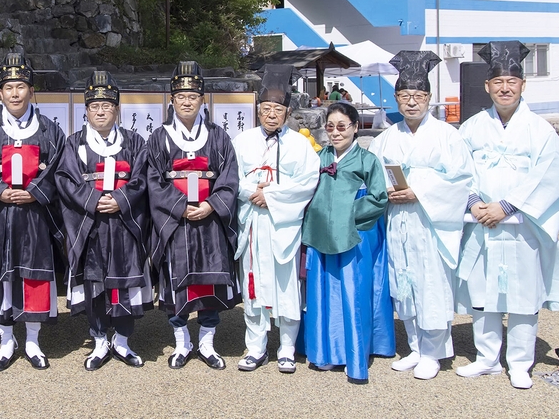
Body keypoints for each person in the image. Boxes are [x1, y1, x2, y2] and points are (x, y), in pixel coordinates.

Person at [455, 41, 559, 389]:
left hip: (521, 226)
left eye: (511, 82)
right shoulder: (473, 127)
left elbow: (552, 174)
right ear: (487, 86)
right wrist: (474, 202)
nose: (505, 88)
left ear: (523, 85)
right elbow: (459, 170)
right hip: (481, 223)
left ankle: (520, 363)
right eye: (498, 82)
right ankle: (486, 358)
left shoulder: (539, 129)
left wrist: (507, 205)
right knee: (482, 293)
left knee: (523, 296)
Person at [368, 50, 472, 380]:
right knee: (404, 282)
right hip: (399, 219)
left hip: (430, 221)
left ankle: (435, 351)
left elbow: (462, 179)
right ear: (396, 99)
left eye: (418, 95)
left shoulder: (447, 135)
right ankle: (414, 346)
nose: (411, 102)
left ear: (428, 97)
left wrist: (420, 191)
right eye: (405, 96)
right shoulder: (385, 138)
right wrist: (386, 191)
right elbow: (373, 178)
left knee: (432, 283)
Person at [0, 52, 64, 371]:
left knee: (35, 278)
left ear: (32, 91)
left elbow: (60, 168)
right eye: (9, 87)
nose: (15, 93)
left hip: (35, 216)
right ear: (1, 93)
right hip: (0, 216)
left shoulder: (48, 129)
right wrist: (0, 192)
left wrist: (35, 192)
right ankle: (6, 341)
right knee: (2, 278)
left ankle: (33, 340)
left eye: (21, 86)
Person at [55, 71, 152, 370]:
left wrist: (120, 200)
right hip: (91, 224)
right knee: (94, 281)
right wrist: (95, 200)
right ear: (85, 110)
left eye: (107, 106)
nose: (100, 111)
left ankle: (122, 340)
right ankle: (98, 340)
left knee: (124, 281)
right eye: (94, 106)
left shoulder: (135, 142)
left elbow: (142, 179)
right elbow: (66, 180)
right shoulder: (73, 144)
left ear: (117, 109)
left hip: (124, 223)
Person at [147, 61, 239, 370]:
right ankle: (182, 342)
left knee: (209, 282)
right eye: (181, 95)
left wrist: (211, 205)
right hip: (176, 222)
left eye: (193, 96)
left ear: (202, 99)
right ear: (171, 100)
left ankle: (208, 342)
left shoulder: (218, 136)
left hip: (209, 220)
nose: (187, 101)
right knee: (177, 283)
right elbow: (154, 181)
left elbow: (229, 177)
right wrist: (179, 206)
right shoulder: (159, 137)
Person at [232, 64, 320, 373]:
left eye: (278, 109)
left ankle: (286, 347)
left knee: (286, 286)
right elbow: (233, 178)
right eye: (266, 108)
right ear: (258, 110)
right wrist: (252, 192)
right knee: (253, 286)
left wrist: (272, 196)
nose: (272, 114)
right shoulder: (242, 141)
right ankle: (255, 347)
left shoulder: (300, 144)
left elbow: (308, 182)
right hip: (254, 222)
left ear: (287, 112)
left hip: (283, 224)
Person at [300, 102, 392, 382]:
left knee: (353, 293)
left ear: (355, 127)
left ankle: (352, 355)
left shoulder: (368, 160)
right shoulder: (317, 157)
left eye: (342, 126)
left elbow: (378, 198)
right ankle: (322, 353)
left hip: (354, 236)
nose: (336, 133)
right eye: (330, 127)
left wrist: (347, 214)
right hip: (319, 235)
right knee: (321, 293)